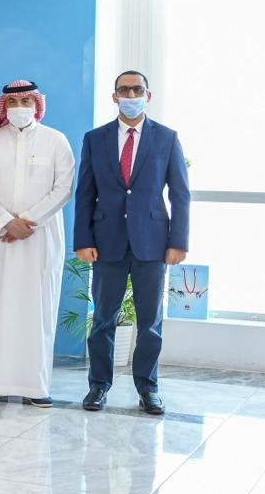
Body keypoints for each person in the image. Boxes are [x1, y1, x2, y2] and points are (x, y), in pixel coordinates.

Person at [75, 70, 190, 415]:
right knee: (103, 319)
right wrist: (83, 239)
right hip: (106, 242)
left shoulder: (166, 138)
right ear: (114, 96)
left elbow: (180, 194)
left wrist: (178, 241)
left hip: (152, 243)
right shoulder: (95, 139)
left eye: (137, 89)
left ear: (147, 95)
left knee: (150, 322)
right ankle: (98, 386)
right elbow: (85, 194)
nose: (130, 95)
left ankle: (148, 389)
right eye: (123, 90)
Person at [0, 80, 75, 407]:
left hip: (39, 238)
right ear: (4, 106)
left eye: (26, 101)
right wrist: (5, 221)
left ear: (36, 104)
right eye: (12, 102)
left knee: (37, 308)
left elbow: (63, 188)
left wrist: (26, 221)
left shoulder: (55, 141)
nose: (19, 107)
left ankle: (34, 386)